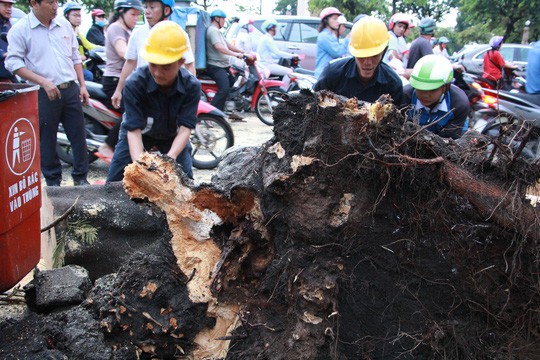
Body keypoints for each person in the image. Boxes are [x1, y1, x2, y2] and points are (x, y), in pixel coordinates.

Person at [6, 0, 89, 186]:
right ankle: (53, 182)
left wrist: (82, 85)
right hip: (44, 92)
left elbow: (75, 56)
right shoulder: (21, 29)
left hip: (70, 88)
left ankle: (81, 178)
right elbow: (13, 63)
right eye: (50, 2)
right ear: (34, 3)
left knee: (78, 135)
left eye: (56, 1)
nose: (55, 6)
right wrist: (43, 82)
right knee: (47, 138)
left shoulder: (64, 24)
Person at [102, 0, 196, 162]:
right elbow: (133, 130)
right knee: (116, 179)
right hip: (140, 128)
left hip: (172, 132)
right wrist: (141, 166)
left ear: (180, 62)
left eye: (166, 66)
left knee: (184, 177)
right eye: (153, 65)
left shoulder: (191, 85)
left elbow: (185, 128)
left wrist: (170, 159)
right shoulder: (134, 83)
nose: (158, 73)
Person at [314, 16, 404, 105]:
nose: (367, 62)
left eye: (374, 56)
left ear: (384, 51)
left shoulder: (393, 84)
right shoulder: (332, 74)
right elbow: (312, 103)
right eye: (362, 56)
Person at [404, 54, 469, 139]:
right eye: (421, 89)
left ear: (446, 87)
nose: (425, 95)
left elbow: (449, 142)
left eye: (432, 89)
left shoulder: (458, 104)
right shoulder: (405, 96)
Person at [206, 9, 251, 120]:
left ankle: (227, 110)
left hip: (223, 65)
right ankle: (211, 115)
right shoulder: (212, 31)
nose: (224, 22)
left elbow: (228, 45)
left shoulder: (218, 32)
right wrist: (236, 55)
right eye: (223, 19)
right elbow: (219, 47)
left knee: (232, 85)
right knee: (224, 89)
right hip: (215, 66)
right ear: (217, 18)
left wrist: (242, 52)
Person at [63, 2, 99, 81]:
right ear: (66, 16)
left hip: (80, 65)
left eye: (79, 15)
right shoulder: (64, 33)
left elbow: (88, 45)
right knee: (88, 75)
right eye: (75, 15)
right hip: (70, 68)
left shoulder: (77, 32)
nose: (78, 18)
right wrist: (80, 57)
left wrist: (105, 48)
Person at [314, 7, 350, 79]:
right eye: (334, 19)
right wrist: (348, 38)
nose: (337, 22)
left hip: (331, 75)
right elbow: (338, 52)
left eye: (338, 19)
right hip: (324, 76)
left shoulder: (332, 36)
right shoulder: (324, 36)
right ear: (326, 20)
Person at [0, 0, 16, 82]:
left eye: (10, 6)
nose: (8, 9)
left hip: (9, 73)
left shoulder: (9, 25)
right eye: (5, 6)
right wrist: (3, 53)